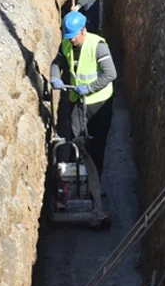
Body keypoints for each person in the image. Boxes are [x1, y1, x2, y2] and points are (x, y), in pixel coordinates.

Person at [49, 10, 116, 178]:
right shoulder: (65, 44)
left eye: (75, 36)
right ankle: (78, 175)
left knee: (97, 143)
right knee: (78, 140)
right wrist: (55, 77)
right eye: (69, 36)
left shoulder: (98, 46)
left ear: (84, 30)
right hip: (78, 101)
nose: (72, 39)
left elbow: (110, 74)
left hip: (100, 103)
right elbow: (57, 63)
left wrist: (90, 88)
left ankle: (95, 181)